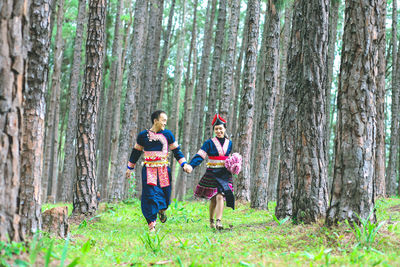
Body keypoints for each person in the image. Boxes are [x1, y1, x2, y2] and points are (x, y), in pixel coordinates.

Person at [126, 110, 191, 232]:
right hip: (149, 170)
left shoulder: (168, 135)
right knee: (150, 195)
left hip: (163, 170)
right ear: (155, 120)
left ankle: (162, 210)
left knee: (165, 196)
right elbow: (136, 153)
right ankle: (152, 225)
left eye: (166, 121)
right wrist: (130, 167)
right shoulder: (142, 136)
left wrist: (184, 164)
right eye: (163, 120)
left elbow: (177, 151)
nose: (165, 123)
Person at [187, 114, 235, 230]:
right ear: (214, 130)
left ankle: (219, 221)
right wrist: (191, 166)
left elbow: (230, 157)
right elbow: (200, 155)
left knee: (220, 196)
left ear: (225, 129)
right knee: (213, 198)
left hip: (224, 174)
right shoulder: (209, 143)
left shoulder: (230, 143)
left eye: (220, 128)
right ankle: (211, 220)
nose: (219, 131)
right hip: (212, 173)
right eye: (216, 129)